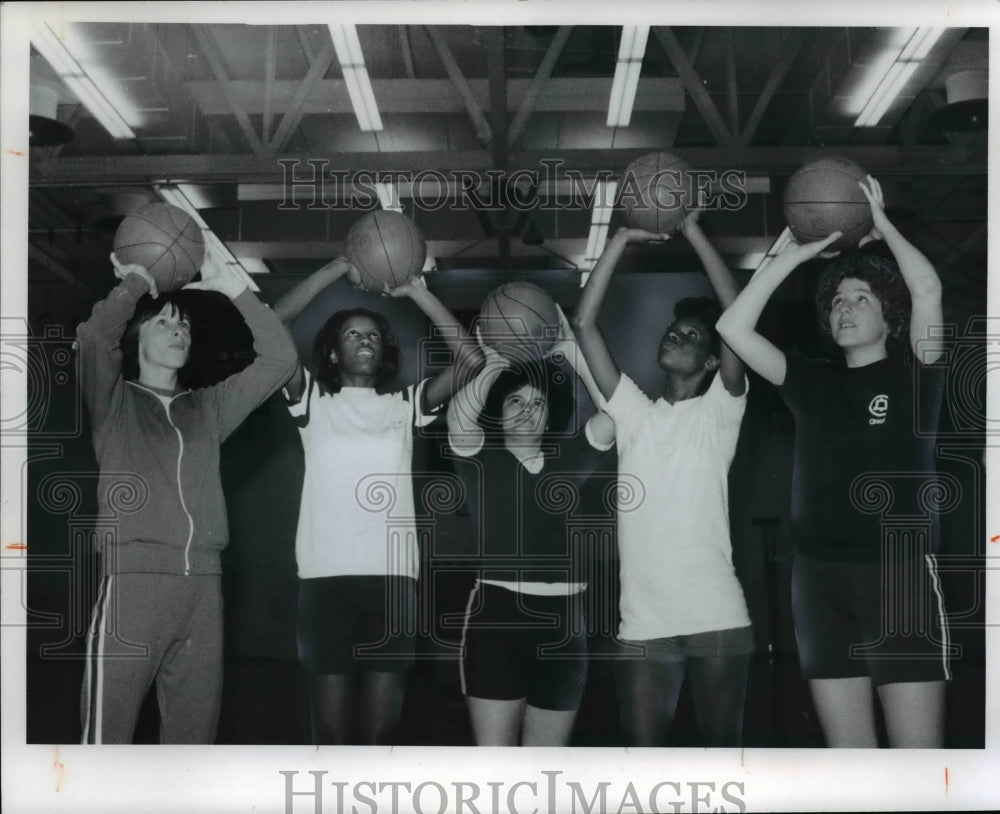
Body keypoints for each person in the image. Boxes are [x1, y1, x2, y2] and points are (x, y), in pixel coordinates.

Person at [717, 176, 949, 747]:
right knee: (852, 763)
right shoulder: (811, 382)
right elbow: (733, 328)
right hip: (817, 583)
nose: (846, 307)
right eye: (839, 300)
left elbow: (928, 291)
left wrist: (883, 226)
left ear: (889, 318)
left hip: (898, 579)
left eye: (862, 298)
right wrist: (790, 256)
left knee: (917, 766)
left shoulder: (914, 375)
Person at [78, 251, 298, 744]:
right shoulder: (114, 402)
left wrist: (235, 289)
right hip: (135, 588)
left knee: (192, 746)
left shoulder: (208, 408)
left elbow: (281, 361)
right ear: (138, 338)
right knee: (104, 744)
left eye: (185, 327)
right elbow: (94, 337)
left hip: (202, 588)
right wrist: (135, 283)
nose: (180, 332)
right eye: (164, 324)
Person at [274, 257, 481, 745]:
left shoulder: (404, 406)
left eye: (372, 335)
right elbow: (275, 319)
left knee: (380, 734)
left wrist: (414, 289)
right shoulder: (312, 406)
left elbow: (471, 361)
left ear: (384, 349)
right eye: (351, 334)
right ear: (330, 355)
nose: (364, 341)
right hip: (324, 584)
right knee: (331, 735)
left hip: (391, 584)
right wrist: (339, 266)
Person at [571, 212, 754, 747]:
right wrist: (621, 237)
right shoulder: (633, 412)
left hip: (716, 615)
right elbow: (583, 322)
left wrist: (695, 228)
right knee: (644, 770)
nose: (676, 333)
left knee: (725, 767)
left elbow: (737, 316)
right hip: (644, 622)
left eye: (692, 335)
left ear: (712, 361)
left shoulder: (721, 411)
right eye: (675, 329)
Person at [447, 314, 615, 746]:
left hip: (565, 627)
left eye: (537, 404)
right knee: (495, 765)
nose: (527, 410)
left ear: (549, 418)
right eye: (515, 402)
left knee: (547, 769)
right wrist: (492, 365)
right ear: (498, 414)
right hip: (495, 621)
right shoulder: (479, 459)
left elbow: (616, 415)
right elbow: (457, 419)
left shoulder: (571, 458)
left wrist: (572, 352)